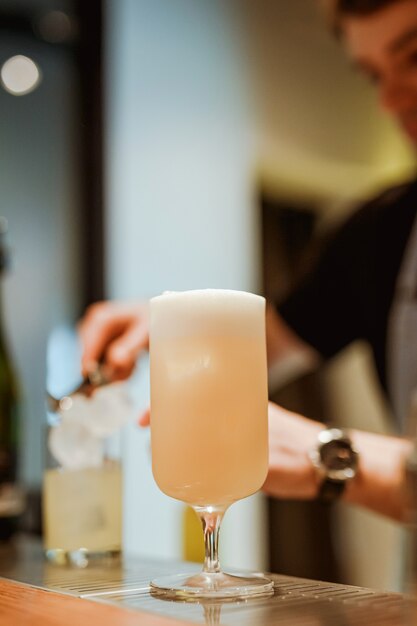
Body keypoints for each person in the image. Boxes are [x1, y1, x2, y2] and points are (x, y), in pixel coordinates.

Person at [78, 0, 417, 522]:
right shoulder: (380, 233)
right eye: (374, 76)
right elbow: (258, 345)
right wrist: (173, 324)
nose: (391, 100)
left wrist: (334, 458)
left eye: (414, 57)